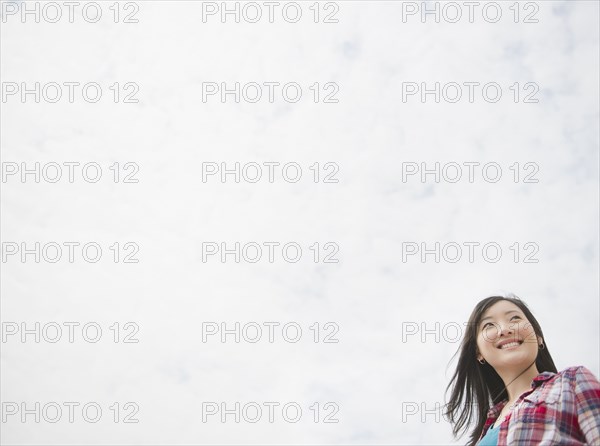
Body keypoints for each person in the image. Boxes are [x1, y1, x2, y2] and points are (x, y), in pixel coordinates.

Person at [443, 294, 600, 445]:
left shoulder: (572, 382)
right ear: (478, 353)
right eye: (489, 325)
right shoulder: (484, 432)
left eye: (515, 318)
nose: (504, 329)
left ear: (538, 337)